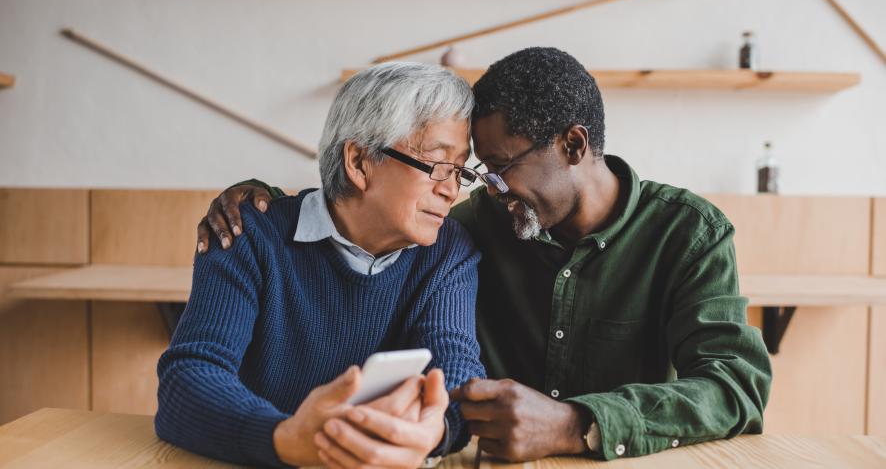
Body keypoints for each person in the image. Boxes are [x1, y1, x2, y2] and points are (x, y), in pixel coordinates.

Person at [197, 47, 772, 464]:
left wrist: (578, 423)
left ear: (574, 146)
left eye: (496, 169)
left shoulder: (687, 233)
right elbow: (353, 205)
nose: (475, 189)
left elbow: (736, 386)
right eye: (472, 171)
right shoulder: (472, 224)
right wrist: (262, 202)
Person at [156, 62, 486, 468]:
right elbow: (188, 377)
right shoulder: (248, 234)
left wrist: (434, 431)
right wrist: (285, 439)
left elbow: (457, 369)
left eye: (459, 170)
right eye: (437, 164)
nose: (451, 189)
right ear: (359, 162)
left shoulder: (448, 250)